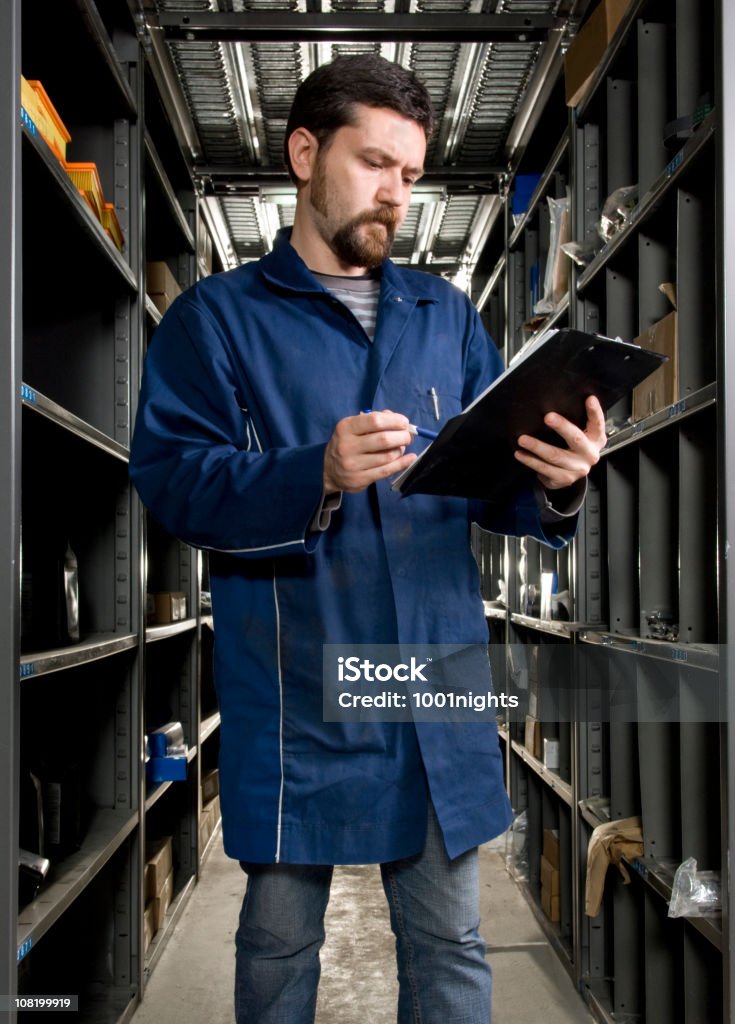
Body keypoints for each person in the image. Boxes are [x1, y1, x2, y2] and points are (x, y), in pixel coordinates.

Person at [130, 53, 605, 1024]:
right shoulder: (215, 322)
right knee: (278, 943)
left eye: (411, 174)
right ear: (306, 153)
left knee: (450, 945)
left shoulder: (446, 317)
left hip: (433, 682)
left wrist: (555, 489)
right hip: (300, 685)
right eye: (375, 163)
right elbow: (173, 485)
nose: (396, 193)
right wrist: (314, 472)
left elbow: (491, 484)